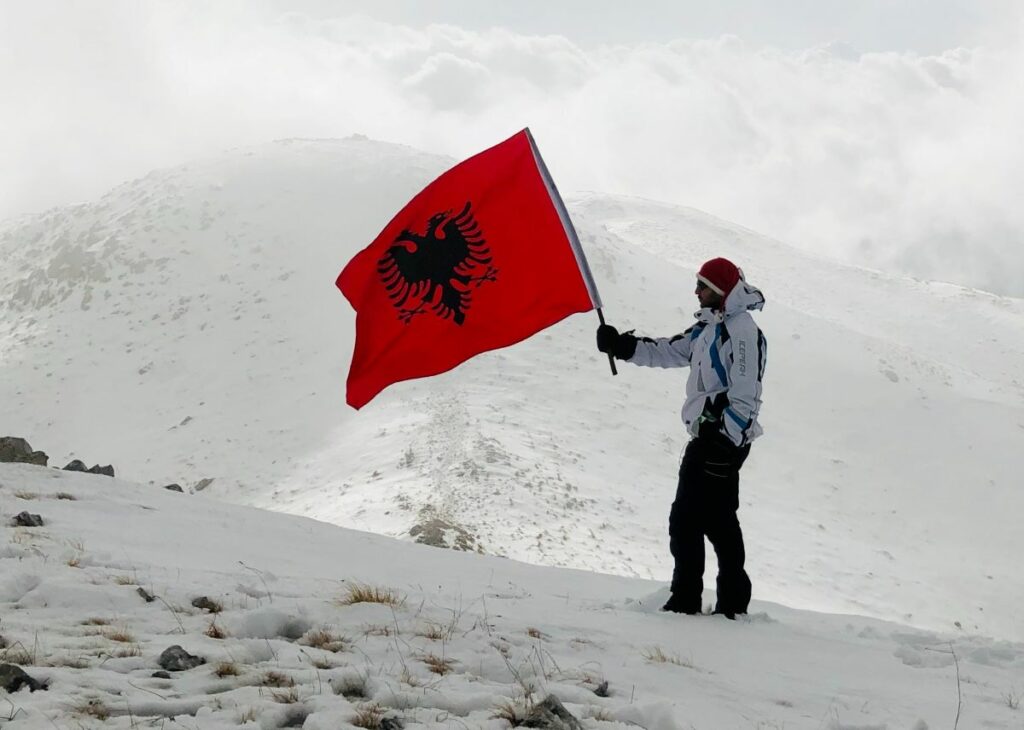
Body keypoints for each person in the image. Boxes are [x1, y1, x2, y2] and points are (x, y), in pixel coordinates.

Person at [596, 257, 766, 618]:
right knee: (717, 520)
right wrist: (623, 347)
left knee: (688, 519)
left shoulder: (742, 331)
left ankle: (690, 598)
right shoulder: (707, 329)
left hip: (720, 441)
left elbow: (746, 391)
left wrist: (726, 438)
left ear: (719, 291)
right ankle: (729, 603)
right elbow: (670, 350)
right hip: (709, 437)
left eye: (702, 286)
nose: (696, 291)